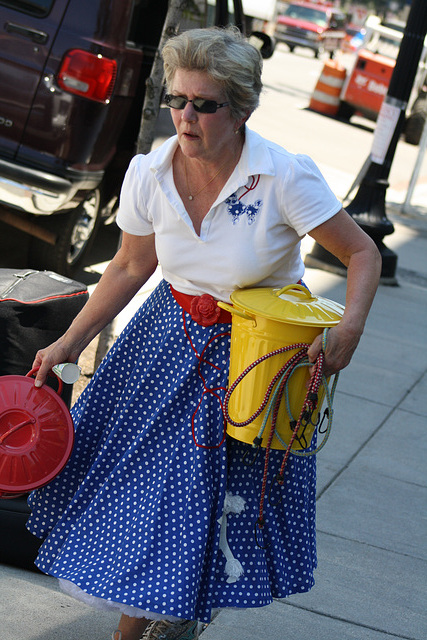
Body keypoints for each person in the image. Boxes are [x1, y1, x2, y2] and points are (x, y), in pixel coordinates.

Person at [27, 27, 381, 640]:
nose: (186, 117)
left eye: (206, 104)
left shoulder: (284, 178)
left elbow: (363, 254)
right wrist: (68, 342)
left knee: (200, 498)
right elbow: (132, 266)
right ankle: (150, 618)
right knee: (146, 487)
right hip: (163, 340)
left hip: (251, 355)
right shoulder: (149, 172)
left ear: (241, 109)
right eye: (177, 100)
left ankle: (156, 617)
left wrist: (348, 328)